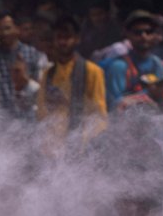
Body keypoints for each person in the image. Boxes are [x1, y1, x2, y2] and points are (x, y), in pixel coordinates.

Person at [36, 16, 109, 149]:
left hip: (82, 146)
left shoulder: (92, 71)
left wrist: (84, 142)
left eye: (67, 37)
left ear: (77, 39)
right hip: (52, 148)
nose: (62, 42)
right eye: (59, 37)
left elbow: (99, 115)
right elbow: (42, 113)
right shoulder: (48, 74)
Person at [102, 11, 163, 114]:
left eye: (148, 31)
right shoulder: (118, 67)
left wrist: (160, 98)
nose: (144, 36)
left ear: (154, 34)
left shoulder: (159, 65)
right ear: (127, 34)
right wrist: (138, 99)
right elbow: (111, 106)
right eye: (137, 32)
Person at [0, 11, 44, 118]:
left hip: (26, 118)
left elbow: (41, 90)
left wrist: (25, 80)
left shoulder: (33, 54)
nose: (4, 33)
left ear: (17, 29)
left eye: (7, 28)